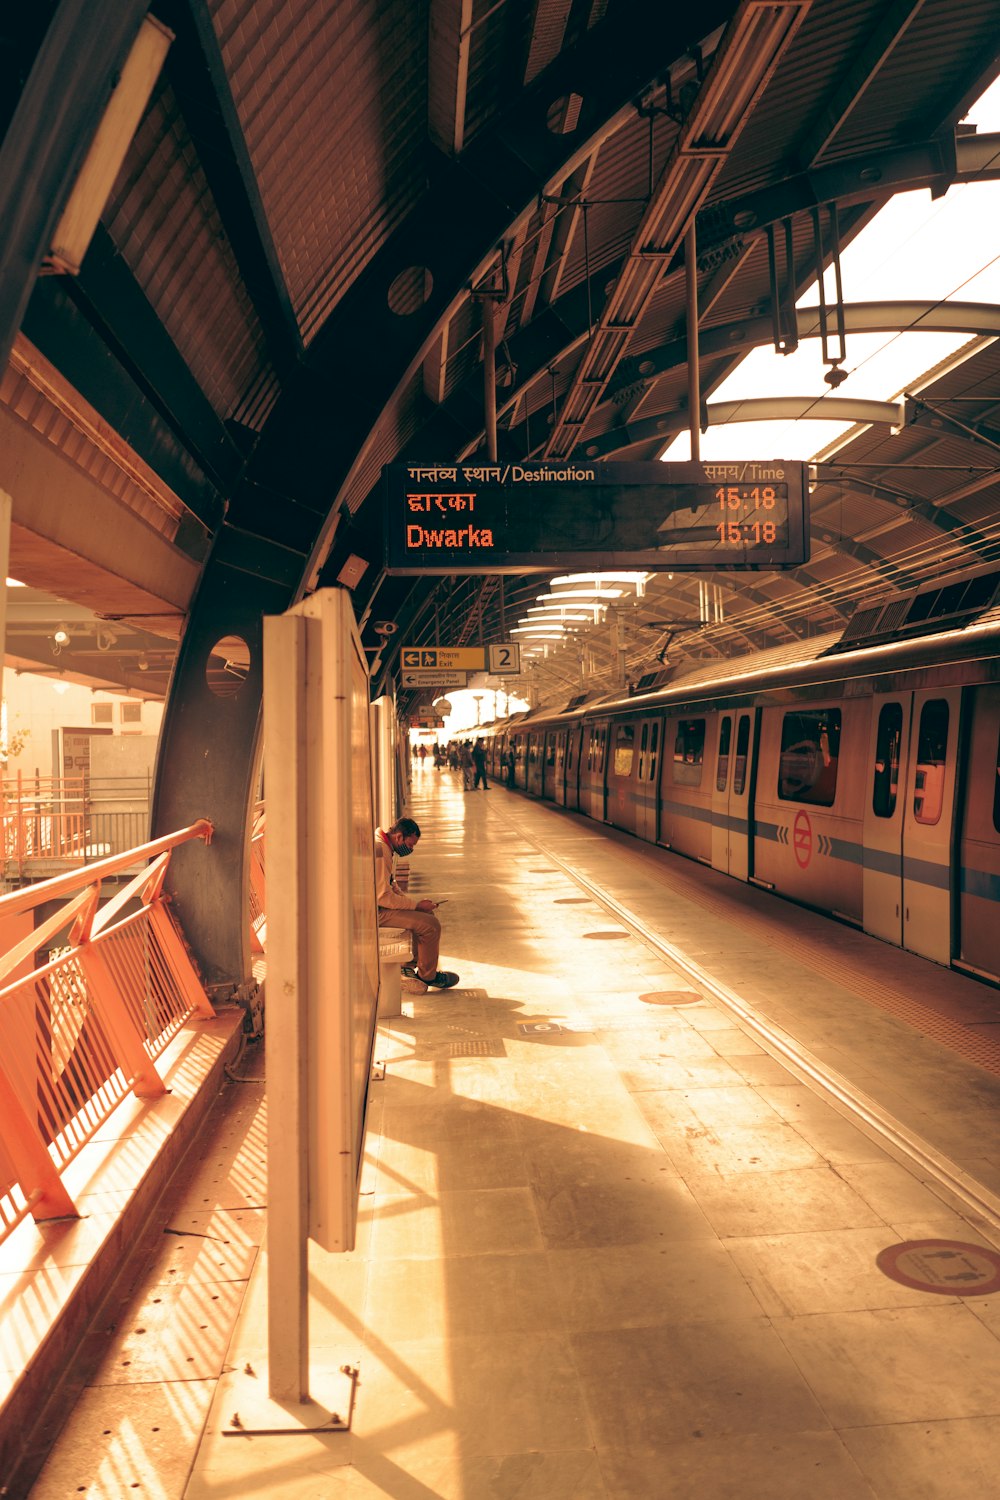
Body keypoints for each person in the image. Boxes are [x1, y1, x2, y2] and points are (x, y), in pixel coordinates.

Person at [373, 817, 459, 989]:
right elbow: (383, 897)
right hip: (375, 912)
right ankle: (428, 976)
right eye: (410, 844)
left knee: (425, 915)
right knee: (430, 925)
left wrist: (415, 904)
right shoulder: (381, 851)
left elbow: (390, 883)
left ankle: (409, 967)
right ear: (399, 837)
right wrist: (416, 905)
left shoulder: (384, 845)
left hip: (379, 907)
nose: (410, 849)